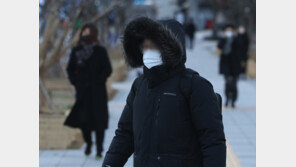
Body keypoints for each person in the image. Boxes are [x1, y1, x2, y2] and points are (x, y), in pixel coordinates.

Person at [102, 17, 226, 167]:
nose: (148, 52)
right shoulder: (139, 86)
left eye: (153, 46)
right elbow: (125, 134)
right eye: (145, 47)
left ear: (171, 48)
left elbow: (212, 141)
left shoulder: (195, 86)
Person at [64, 23, 112, 160]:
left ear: (94, 34)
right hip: (83, 92)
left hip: (98, 92)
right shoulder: (76, 50)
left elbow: (108, 69)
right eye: (84, 32)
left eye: (89, 32)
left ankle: (99, 149)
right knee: (83, 121)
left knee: (99, 122)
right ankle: (89, 143)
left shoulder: (100, 51)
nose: (86, 34)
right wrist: (76, 82)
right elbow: (70, 69)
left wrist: (99, 80)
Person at [218, 25, 240, 108]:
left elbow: (241, 47)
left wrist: (236, 37)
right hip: (226, 64)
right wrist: (224, 38)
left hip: (235, 65)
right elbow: (219, 46)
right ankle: (227, 99)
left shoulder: (236, 39)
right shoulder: (223, 39)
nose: (229, 32)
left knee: (234, 84)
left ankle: (233, 101)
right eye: (227, 31)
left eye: (230, 30)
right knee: (227, 83)